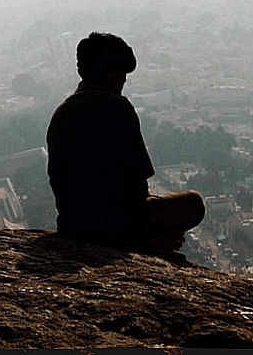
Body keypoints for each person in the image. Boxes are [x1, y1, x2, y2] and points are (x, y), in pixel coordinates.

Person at [46, 32, 205, 256]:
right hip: (117, 226)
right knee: (194, 204)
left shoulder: (61, 114)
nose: (124, 81)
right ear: (111, 74)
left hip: (74, 225)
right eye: (122, 74)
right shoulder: (118, 108)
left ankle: (148, 241)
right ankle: (148, 244)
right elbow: (138, 183)